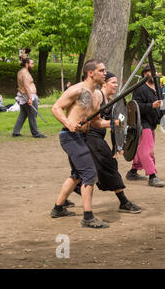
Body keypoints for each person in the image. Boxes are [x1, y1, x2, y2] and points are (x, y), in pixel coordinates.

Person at [66, 71, 142, 213]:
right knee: (109, 165)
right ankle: (123, 202)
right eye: (113, 82)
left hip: (97, 137)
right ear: (104, 83)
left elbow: (115, 121)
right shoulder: (97, 96)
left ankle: (61, 201)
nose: (116, 85)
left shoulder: (109, 99)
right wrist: (115, 123)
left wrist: (120, 132)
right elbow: (95, 121)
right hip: (91, 137)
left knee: (79, 173)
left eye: (116, 82)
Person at [50, 58, 110, 228]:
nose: (105, 73)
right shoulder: (77, 89)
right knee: (89, 173)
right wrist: (68, 123)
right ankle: (88, 217)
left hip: (82, 137)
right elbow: (55, 108)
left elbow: (97, 123)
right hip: (69, 137)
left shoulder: (96, 95)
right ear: (91, 73)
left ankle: (58, 208)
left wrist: (114, 124)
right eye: (102, 70)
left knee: (77, 174)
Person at [125, 65, 165, 187]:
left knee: (143, 147)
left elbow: (162, 104)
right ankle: (152, 176)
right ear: (144, 74)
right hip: (142, 122)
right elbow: (134, 107)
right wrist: (151, 106)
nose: (153, 74)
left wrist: (164, 117)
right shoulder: (140, 89)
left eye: (155, 71)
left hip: (152, 121)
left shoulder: (157, 87)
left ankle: (133, 172)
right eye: (150, 72)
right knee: (146, 150)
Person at [12, 57, 46, 138]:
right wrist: (30, 98)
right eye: (32, 63)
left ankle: (16, 132)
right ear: (27, 64)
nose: (33, 65)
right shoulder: (25, 73)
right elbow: (26, 86)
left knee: (23, 114)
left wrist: (35, 94)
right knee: (32, 115)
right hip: (28, 96)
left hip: (24, 95)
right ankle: (36, 133)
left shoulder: (20, 72)